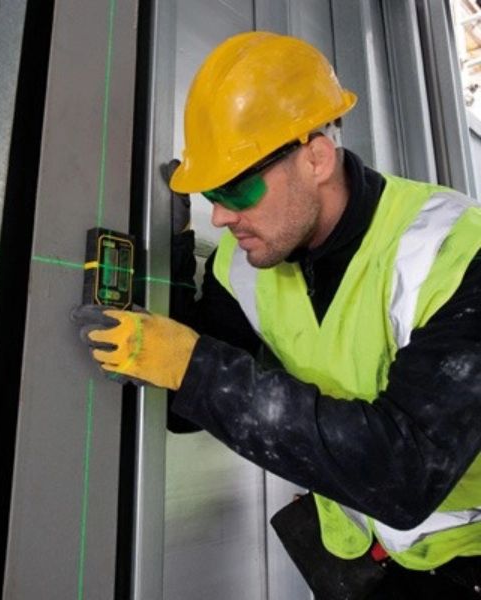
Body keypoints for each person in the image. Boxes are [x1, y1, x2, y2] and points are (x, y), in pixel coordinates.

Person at [74, 32, 481, 598]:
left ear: (316, 157)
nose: (221, 217)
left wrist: (194, 367)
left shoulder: (454, 252)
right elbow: (190, 406)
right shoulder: (243, 266)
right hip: (357, 553)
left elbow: (405, 474)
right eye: (211, 195)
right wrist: (170, 263)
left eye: (237, 190)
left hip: (465, 554)